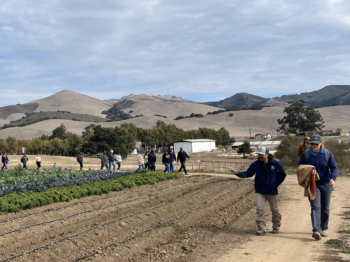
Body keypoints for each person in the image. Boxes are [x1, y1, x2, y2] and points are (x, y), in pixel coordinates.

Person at [230, 147, 286, 235]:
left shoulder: (276, 164)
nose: (259, 156)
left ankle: (276, 226)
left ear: (267, 154)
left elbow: (282, 175)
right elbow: (248, 173)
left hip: (272, 190)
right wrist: (238, 173)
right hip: (260, 190)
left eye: (261, 154)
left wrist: (275, 184)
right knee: (260, 209)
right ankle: (261, 228)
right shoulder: (255, 164)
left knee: (274, 209)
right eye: (259, 154)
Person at [298, 135, 337, 240]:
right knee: (315, 207)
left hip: (326, 184)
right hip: (313, 184)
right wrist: (309, 170)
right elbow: (300, 168)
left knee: (325, 208)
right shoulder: (306, 154)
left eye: (316, 144)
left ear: (321, 143)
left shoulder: (328, 154)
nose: (314, 146)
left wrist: (333, 178)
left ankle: (324, 228)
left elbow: (333, 168)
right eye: (312, 144)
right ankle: (316, 230)